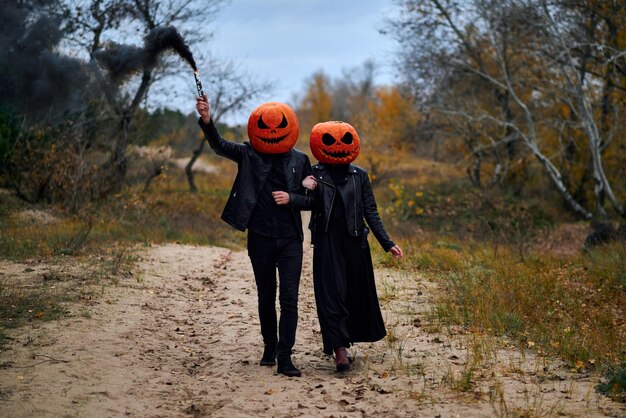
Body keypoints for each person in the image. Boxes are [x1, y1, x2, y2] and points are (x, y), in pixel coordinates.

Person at [196, 95, 312, 377]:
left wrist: (293, 198)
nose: (272, 132)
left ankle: (285, 357)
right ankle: (269, 347)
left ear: (291, 127)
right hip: (259, 237)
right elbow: (219, 146)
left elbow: (313, 201)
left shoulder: (300, 160)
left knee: (289, 299)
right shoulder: (249, 154)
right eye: (266, 126)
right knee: (265, 296)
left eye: (279, 126)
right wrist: (207, 121)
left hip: (290, 240)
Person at [301, 121, 403, 372]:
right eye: (330, 141)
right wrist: (303, 188)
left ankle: (347, 339)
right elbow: (302, 204)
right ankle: (339, 350)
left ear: (353, 143)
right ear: (318, 144)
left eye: (344, 140)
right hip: (327, 241)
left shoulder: (360, 175)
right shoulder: (315, 174)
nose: (337, 146)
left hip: (355, 241)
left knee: (353, 293)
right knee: (331, 294)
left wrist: (387, 243)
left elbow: (371, 211)